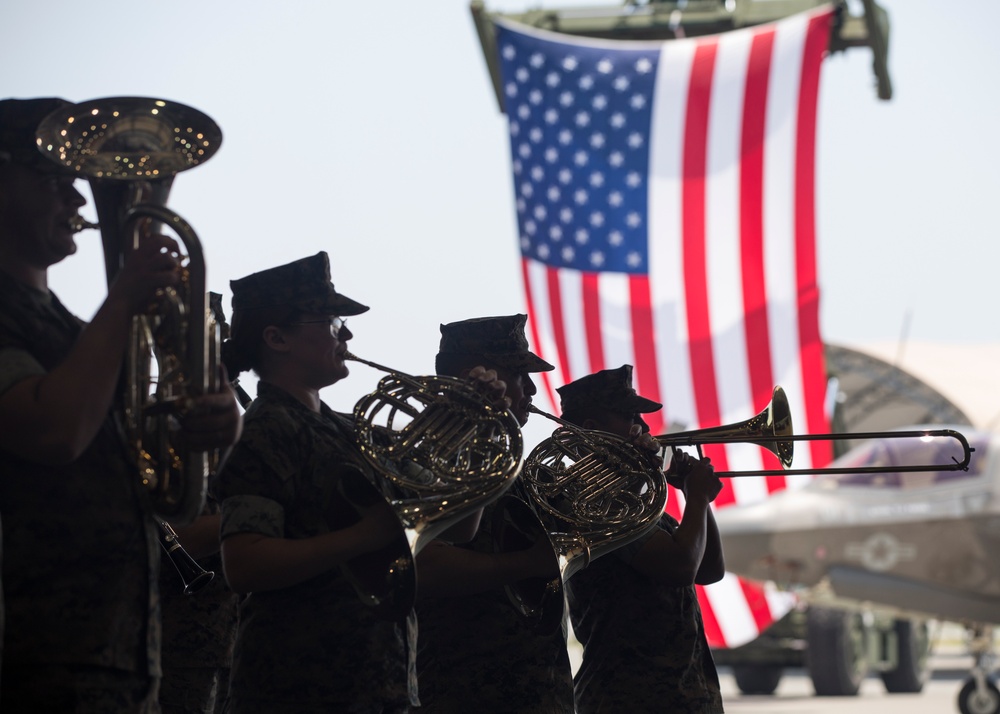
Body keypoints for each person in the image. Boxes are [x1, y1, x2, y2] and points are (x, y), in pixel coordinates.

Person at [0, 97, 242, 713]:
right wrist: (124, 300)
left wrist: (209, 429)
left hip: (121, 654)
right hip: (31, 653)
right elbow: (54, 431)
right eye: (55, 179)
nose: (80, 201)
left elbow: (158, 489)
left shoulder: (74, 330)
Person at [209, 252, 419, 713]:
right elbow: (244, 564)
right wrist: (365, 537)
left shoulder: (350, 430)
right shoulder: (264, 429)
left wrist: (483, 419)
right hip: (299, 688)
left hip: (378, 684)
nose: (346, 333)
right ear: (276, 337)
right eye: (330, 320)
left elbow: (456, 526)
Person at [414, 314, 575, 713]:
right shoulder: (432, 453)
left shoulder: (507, 460)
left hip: (536, 686)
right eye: (520, 374)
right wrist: (529, 563)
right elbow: (427, 564)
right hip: (468, 690)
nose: (533, 389)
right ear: (478, 375)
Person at [557, 365, 726, 713]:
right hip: (631, 696)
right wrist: (695, 497)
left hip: (682, 692)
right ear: (592, 430)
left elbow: (708, 571)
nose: (644, 427)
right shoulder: (593, 501)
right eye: (628, 416)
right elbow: (680, 567)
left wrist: (695, 497)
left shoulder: (638, 500)